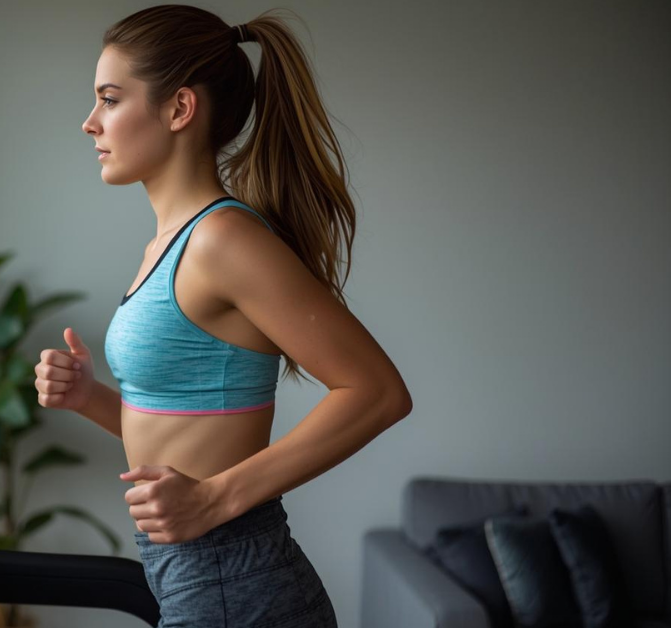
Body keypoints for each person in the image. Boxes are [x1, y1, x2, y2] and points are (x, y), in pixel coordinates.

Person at [35, 4, 412, 626]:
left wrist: (214, 499)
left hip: (232, 579)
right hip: (194, 574)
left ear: (180, 109)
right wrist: (89, 398)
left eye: (109, 99)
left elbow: (377, 393)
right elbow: (185, 427)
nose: (89, 122)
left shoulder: (222, 240)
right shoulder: (171, 244)